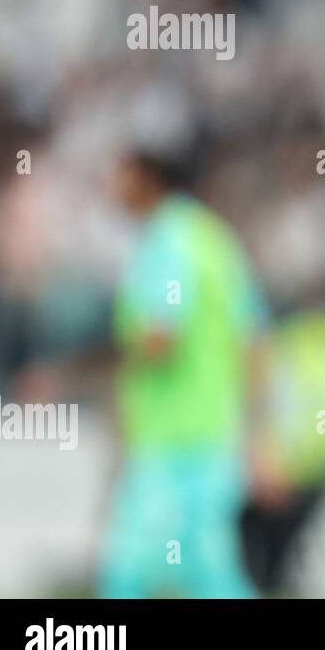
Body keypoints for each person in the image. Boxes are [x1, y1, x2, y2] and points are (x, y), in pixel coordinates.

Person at [102, 147, 267, 598]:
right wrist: (255, 429)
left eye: (121, 174)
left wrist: (89, 365)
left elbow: (161, 338)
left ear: (148, 176)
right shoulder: (213, 238)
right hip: (213, 432)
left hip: (171, 438)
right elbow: (252, 337)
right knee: (210, 570)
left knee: (130, 570)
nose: (111, 187)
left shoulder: (167, 241)